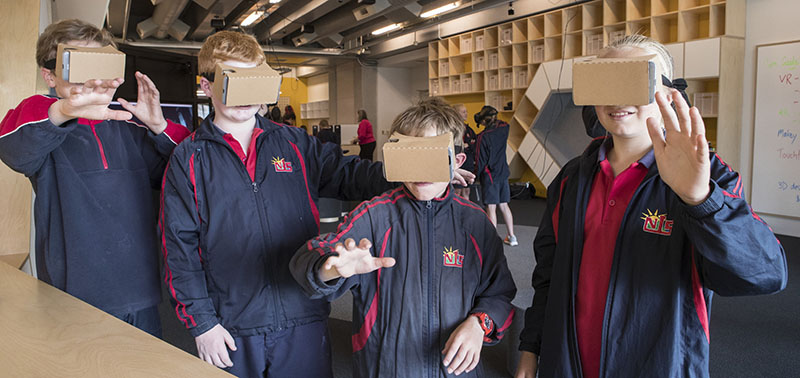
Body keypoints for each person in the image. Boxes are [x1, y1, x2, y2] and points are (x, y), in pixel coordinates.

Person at [515, 35, 787, 378]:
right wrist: (531, 347)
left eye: (636, 82)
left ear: (668, 94)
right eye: (606, 82)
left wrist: (700, 200)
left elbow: (764, 274)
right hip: (568, 363)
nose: (618, 98)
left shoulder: (709, 177)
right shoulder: (571, 179)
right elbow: (548, 275)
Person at [158, 31, 396, 378]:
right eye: (231, 82)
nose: (244, 97)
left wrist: (418, 171)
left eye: (251, 81)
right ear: (206, 87)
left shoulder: (295, 143)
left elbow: (352, 174)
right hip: (233, 324)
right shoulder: (189, 159)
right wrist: (202, 325)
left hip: (302, 314)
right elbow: (178, 248)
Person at [291, 97, 516, 378]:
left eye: (432, 156)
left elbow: (500, 293)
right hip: (386, 369)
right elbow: (312, 256)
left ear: (456, 161)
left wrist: (479, 323)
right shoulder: (374, 217)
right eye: (412, 156)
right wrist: (330, 267)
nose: (421, 170)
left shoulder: (475, 224)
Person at [0, 19, 191, 337]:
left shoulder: (128, 125)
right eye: (78, 66)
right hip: (75, 297)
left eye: (100, 64)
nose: (93, 80)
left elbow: (189, 173)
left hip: (142, 291)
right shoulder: (45, 119)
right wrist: (63, 111)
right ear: (49, 75)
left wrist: (159, 125)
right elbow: (13, 147)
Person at [474, 106, 518, 246]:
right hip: (503, 173)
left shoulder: (483, 137)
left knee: (491, 208)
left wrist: (474, 176)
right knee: (504, 205)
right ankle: (512, 237)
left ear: (484, 121)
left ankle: (492, 240)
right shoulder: (504, 128)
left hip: (490, 176)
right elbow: (502, 122)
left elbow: (480, 160)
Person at [453, 103, 477, 201]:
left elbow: (475, 143)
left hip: (468, 163)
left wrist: (469, 145)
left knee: (466, 191)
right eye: (463, 112)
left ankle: (466, 211)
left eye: (466, 111)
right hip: (458, 163)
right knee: (457, 191)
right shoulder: (453, 129)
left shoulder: (469, 130)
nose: (466, 114)